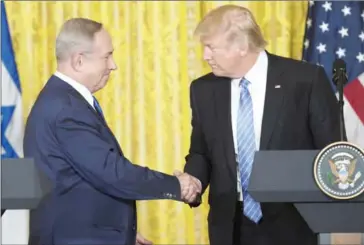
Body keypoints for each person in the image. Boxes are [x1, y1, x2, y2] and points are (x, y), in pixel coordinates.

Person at [23, 18, 201, 245]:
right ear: (79, 61)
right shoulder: (65, 109)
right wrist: (178, 186)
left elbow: (81, 180)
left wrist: (122, 234)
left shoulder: (65, 100)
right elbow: (111, 172)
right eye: (107, 56)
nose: (113, 65)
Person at [183, 5, 343, 245]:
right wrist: (193, 181)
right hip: (230, 225)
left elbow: (333, 152)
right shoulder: (203, 89)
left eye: (211, 48)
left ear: (242, 47)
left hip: (293, 223)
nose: (205, 56)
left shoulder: (305, 80)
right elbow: (201, 151)